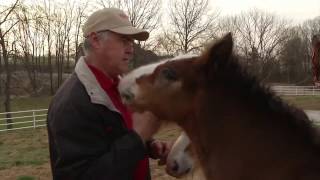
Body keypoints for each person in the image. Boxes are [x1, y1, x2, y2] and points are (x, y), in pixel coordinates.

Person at [47, 8, 171, 180]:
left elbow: (119, 137)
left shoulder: (120, 88)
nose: (131, 49)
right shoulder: (72, 103)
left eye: (131, 41)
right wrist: (138, 138)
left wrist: (149, 144)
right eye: (124, 40)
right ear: (95, 40)